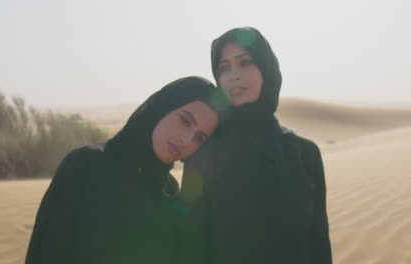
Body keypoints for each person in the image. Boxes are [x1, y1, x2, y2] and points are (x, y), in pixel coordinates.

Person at [25, 76, 220, 264]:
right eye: (185, 121)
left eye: (199, 138)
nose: (186, 140)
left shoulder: (168, 190)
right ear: (163, 107)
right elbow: (46, 253)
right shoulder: (86, 166)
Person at [180, 27, 332, 264]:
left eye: (245, 62)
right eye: (224, 67)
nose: (234, 75)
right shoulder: (203, 157)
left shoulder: (305, 154)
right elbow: (190, 250)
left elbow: (319, 241)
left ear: (266, 68)